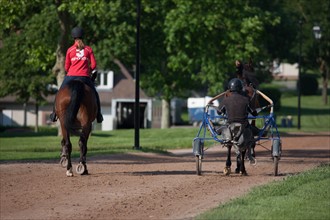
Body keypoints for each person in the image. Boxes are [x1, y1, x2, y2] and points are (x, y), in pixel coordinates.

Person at [50, 27, 103, 123]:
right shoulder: (88, 49)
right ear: (83, 36)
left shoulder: (70, 50)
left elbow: (66, 67)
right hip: (85, 77)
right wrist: (88, 70)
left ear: (73, 37)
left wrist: (71, 71)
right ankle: (99, 114)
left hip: (71, 76)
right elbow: (94, 65)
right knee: (95, 93)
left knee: (59, 92)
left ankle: (54, 114)